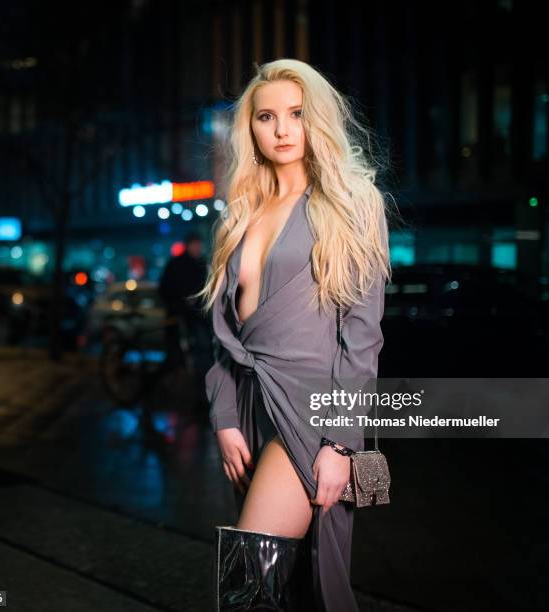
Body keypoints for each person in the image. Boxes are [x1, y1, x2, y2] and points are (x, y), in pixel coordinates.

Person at [196, 59, 392, 611]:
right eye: (266, 116)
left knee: (249, 582)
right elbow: (223, 339)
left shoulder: (350, 205)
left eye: (297, 114)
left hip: (312, 411)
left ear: (317, 122)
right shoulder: (239, 215)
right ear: (250, 129)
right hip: (254, 408)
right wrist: (226, 416)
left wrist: (338, 442)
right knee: (297, 588)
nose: (282, 129)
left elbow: (361, 338)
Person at [158, 232, 212, 416]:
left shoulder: (201, 264)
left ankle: (200, 398)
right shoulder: (178, 264)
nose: (198, 248)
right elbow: (165, 290)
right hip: (183, 319)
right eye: (195, 244)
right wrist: (182, 304)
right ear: (189, 245)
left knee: (201, 357)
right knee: (185, 357)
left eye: (199, 244)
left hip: (199, 319)